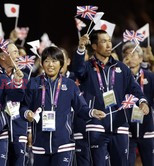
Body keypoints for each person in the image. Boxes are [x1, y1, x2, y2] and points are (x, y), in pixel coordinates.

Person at [73, 30, 149, 166]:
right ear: (95, 46)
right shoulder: (87, 67)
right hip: (96, 124)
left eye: (109, 41)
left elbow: (135, 88)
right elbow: (77, 70)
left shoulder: (121, 68)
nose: (109, 45)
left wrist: (143, 101)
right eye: (103, 41)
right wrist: (80, 49)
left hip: (120, 125)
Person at [20, 46, 106, 166]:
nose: (50, 64)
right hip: (39, 144)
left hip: (64, 144)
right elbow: (23, 107)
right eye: (47, 61)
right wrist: (27, 114)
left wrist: (92, 112)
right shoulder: (34, 83)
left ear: (61, 63)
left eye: (54, 61)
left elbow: (81, 108)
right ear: (42, 64)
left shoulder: (70, 85)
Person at [0, 42, 29, 166]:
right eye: (14, 52)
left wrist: (29, 129)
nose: (18, 55)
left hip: (19, 129)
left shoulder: (24, 76)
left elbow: (27, 104)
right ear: (3, 56)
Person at [122, 42, 154, 166]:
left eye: (133, 54)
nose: (130, 58)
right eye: (126, 55)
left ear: (141, 59)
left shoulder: (150, 77)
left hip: (147, 129)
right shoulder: (119, 77)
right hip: (127, 130)